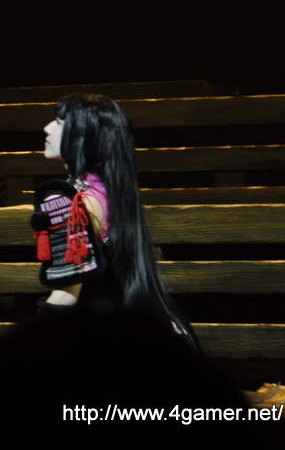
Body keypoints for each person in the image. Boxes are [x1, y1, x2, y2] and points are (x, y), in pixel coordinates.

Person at [34, 93, 193, 341]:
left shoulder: (77, 202)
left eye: (58, 122)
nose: (47, 128)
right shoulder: (112, 190)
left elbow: (66, 295)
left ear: (83, 135)